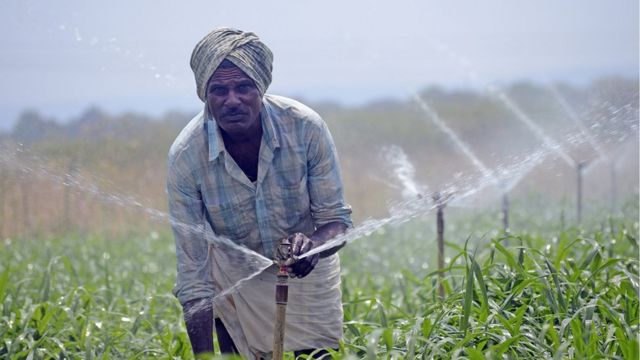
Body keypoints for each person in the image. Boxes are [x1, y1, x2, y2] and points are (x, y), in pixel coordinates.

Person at [166, 27, 352, 359]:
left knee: (315, 355)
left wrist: (313, 247)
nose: (232, 100)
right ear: (205, 95)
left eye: (244, 88)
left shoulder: (305, 128)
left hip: (305, 272)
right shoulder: (187, 157)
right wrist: (203, 356)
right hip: (237, 276)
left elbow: (336, 222)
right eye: (219, 90)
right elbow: (193, 271)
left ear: (261, 88)